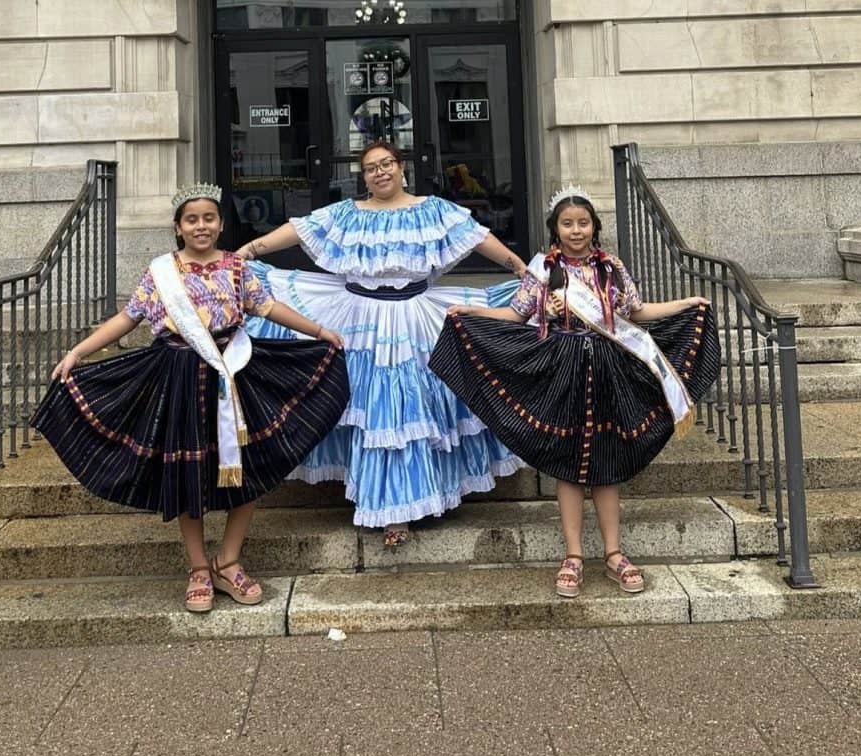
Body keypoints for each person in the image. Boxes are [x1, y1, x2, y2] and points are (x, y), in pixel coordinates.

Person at [31, 184, 349, 612]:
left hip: (235, 374)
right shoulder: (161, 272)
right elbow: (127, 318)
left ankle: (228, 561)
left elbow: (268, 308)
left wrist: (319, 331)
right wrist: (78, 352)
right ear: (178, 227)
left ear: (221, 224)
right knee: (188, 471)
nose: (202, 226)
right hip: (179, 377)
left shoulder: (236, 267)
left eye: (209, 218)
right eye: (192, 219)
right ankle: (199, 567)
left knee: (250, 466)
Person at [430, 187, 721, 595]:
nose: (576, 230)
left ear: (594, 227)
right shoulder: (543, 272)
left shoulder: (611, 268)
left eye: (583, 223)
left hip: (609, 371)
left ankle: (614, 554)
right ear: (556, 229)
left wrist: (685, 304)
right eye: (567, 224)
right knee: (568, 463)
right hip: (563, 371)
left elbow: (638, 312)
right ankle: (573, 556)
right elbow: (514, 314)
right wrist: (473, 312)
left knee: (606, 458)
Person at [236, 140, 527, 546]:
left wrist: (519, 267)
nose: (380, 172)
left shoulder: (432, 210)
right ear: (364, 176)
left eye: (387, 163)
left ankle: (405, 505)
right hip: (358, 318)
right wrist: (248, 250)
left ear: (402, 167)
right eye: (371, 167)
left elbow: (477, 237)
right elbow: (300, 229)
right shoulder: (347, 213)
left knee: (413, 406)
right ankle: (387, 506)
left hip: (415, 315)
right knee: (372, 407)